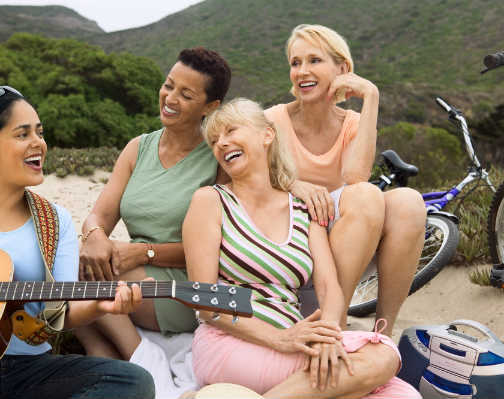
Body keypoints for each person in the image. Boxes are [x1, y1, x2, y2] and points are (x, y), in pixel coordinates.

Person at [0, 85, 154, 399]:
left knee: (133, 382)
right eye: (23, 135)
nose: (38, 143)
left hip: (28, 369)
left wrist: (99, 307)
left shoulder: (53, 220)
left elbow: (62, 312)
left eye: (40, 132)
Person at [183, 98, 421, 398]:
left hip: (295, 341)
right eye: (215, 141)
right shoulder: (210, 201)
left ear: (267, 135)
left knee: (402, 395)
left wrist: (328, 335)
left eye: (231, 131)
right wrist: (278, 338)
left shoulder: (301, 208)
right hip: (232, 342)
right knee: (382, 356)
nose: (222, 143)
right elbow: (205, 300)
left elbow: (329, 287)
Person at [265, 24, 426, 336]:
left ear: (343, 69)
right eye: (295, 63)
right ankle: (334, 323)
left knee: (408, 202)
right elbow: (250, 182)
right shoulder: (273, 120)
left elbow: (355, 177)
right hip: (291, 233)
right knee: (365, 195)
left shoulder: (352, 123)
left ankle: (381, 335)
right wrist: (293, 184)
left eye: (314, 60)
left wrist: (371, 97)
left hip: (344, 237)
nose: (302, 71)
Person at [76, 47, 232, 359]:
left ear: (210, 106)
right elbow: (98, 216)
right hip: (132, 270)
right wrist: (94, 238)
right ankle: (106, 364)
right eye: (168, 85)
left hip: (185, 284)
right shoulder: (138, 148)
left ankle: (143, 359)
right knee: (71, 264)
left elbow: (223, 249)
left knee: (84, 282)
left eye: (186, 94)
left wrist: (142, 252)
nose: (171, 98)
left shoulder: (218, 159)